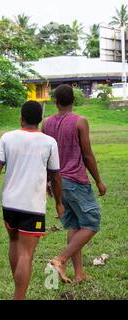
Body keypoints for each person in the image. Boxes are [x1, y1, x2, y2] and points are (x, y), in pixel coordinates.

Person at [0, 101, 64, 300]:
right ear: (40, 120)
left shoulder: (7, 137)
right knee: (26, 254)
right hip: (32, 206)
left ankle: (19, 291)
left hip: (9, 204)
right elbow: (55, 177)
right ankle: (19, 297)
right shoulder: (49, 142)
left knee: (14, 243)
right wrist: (59, 203)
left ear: (21, 117)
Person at [43, 84, 107, 284]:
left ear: (56, 101)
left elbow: (45, 155)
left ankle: (79, 273)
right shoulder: (80, 122)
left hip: (57, 182)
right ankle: (60, 259)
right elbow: (87, 155)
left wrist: (47, 181)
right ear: (74, 100)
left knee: (74, 224)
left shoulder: (46, 123)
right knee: (91, 223)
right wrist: (98, 180)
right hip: (75, 181)